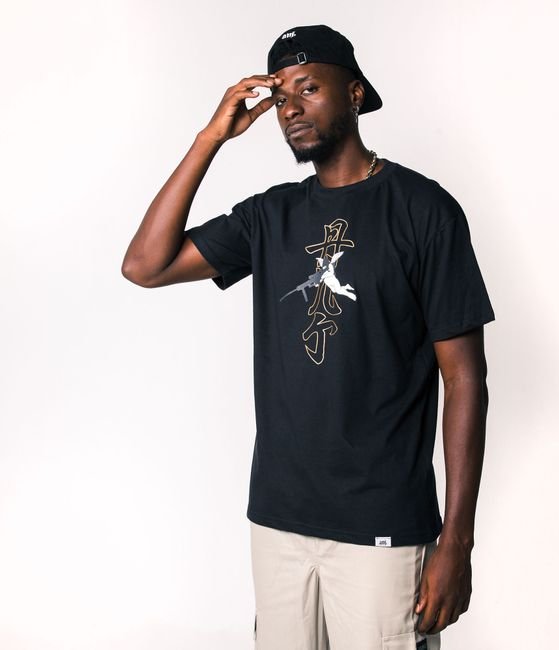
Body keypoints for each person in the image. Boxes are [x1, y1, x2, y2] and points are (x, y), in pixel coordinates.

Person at [122, 23, 496, 650]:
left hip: (381, 525)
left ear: (355, 93)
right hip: (278, 520)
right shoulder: (270, 216)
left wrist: (456, 540)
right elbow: (145, 265)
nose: (291, 108)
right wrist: (211, 138)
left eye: (309, 88)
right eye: (280, 96)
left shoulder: (423, 210)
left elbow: (464, 378)